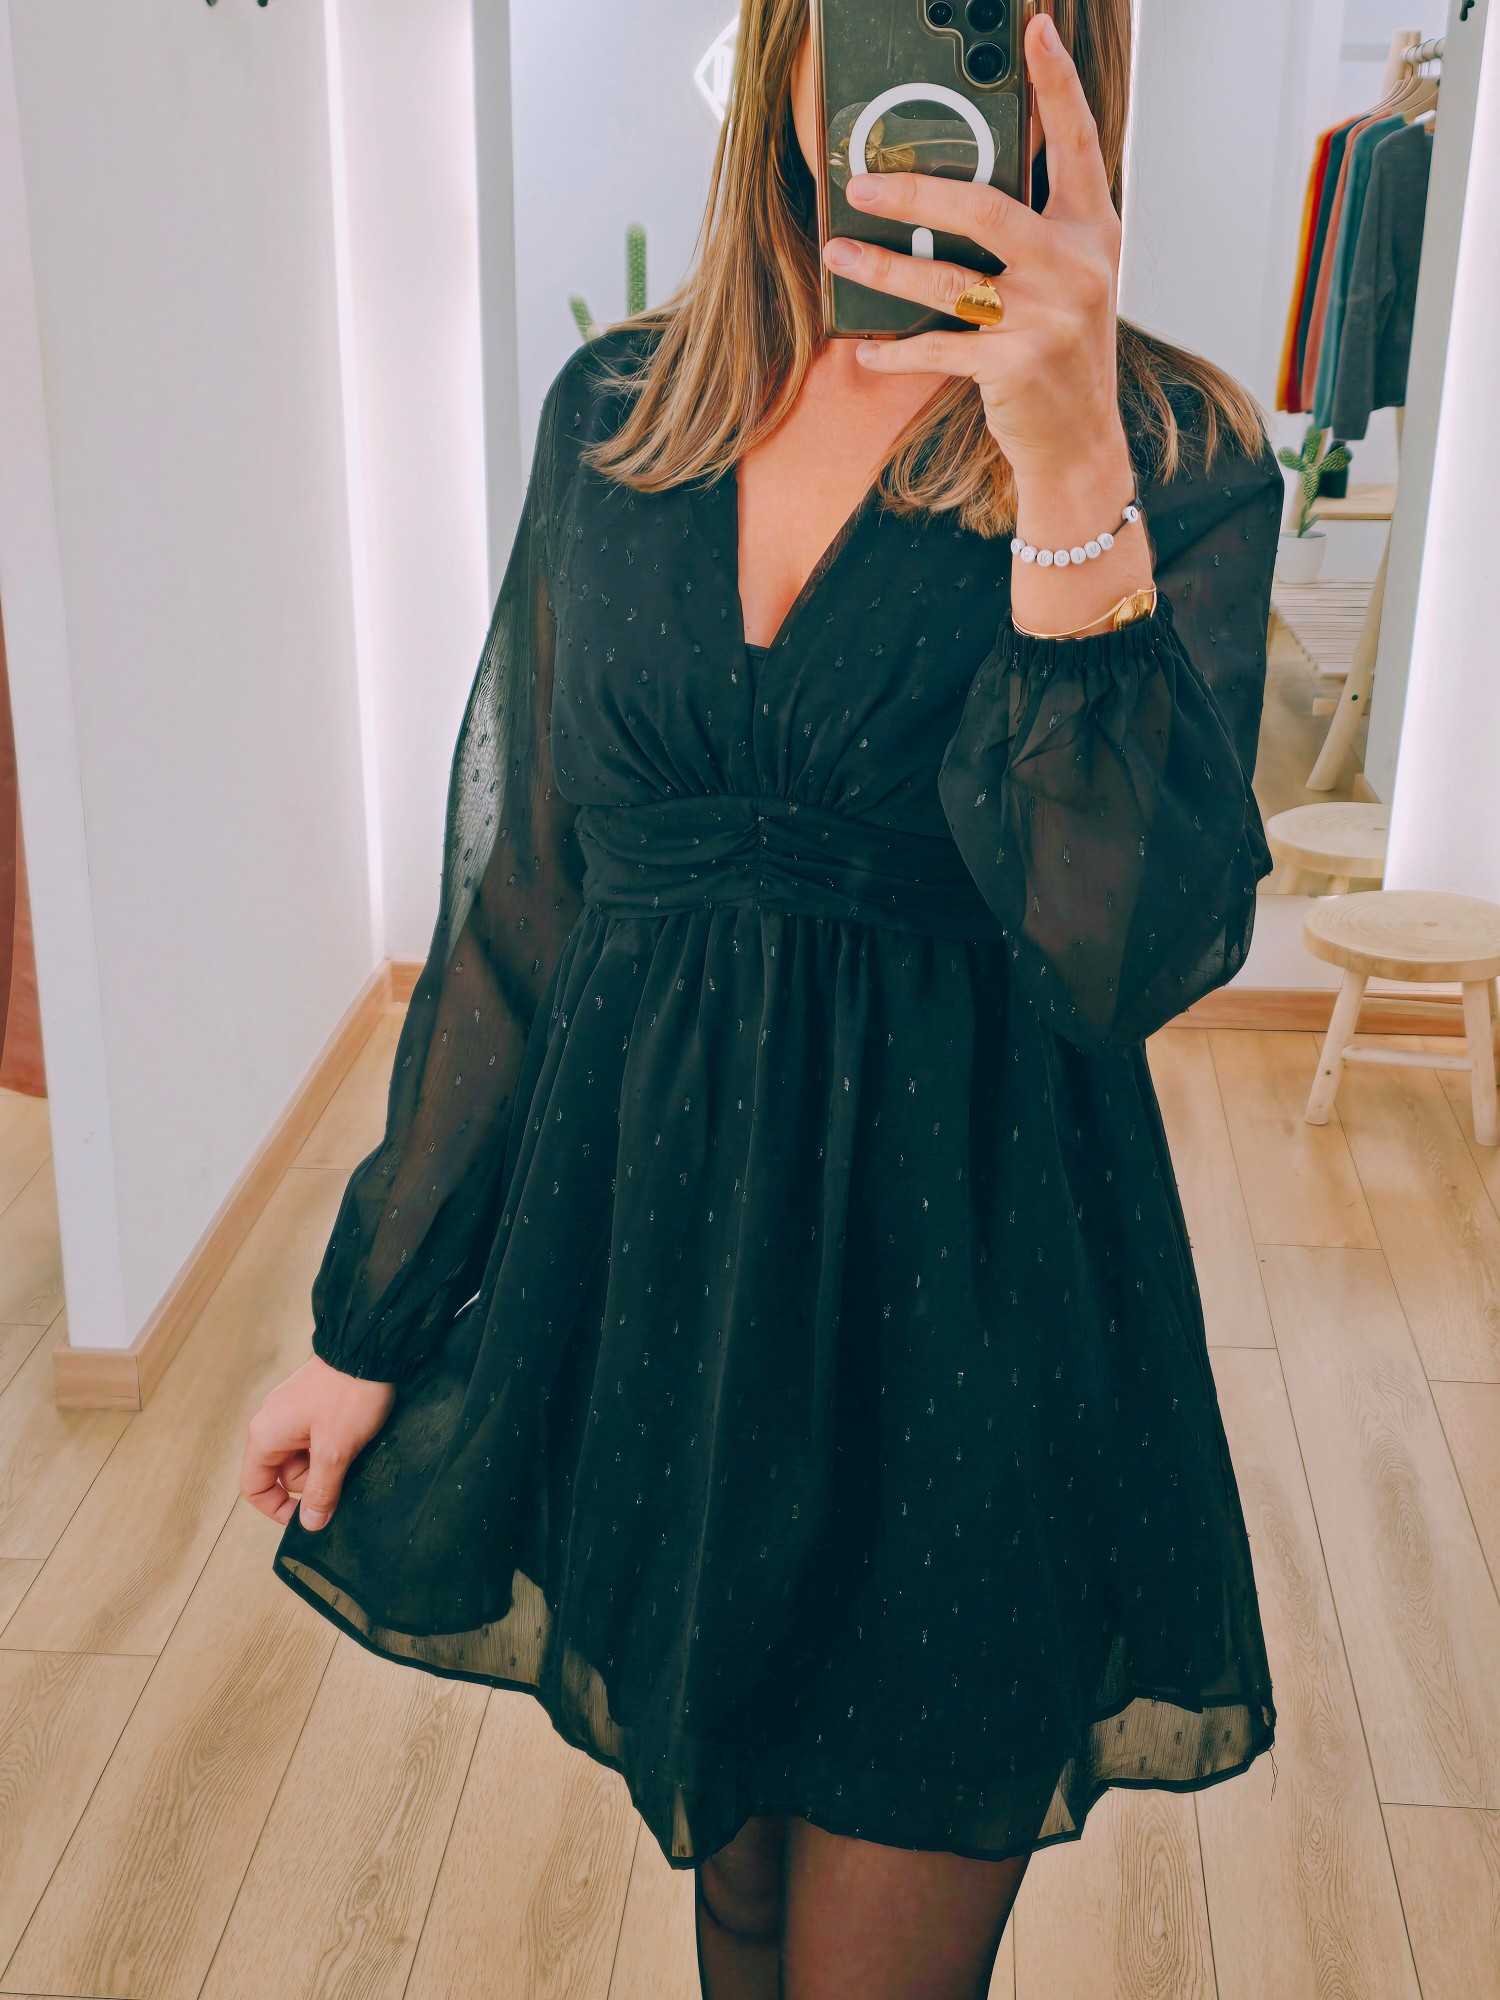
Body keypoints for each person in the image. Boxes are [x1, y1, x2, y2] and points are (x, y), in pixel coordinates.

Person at [240, 5, 1281, 1994]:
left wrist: (1063, 452)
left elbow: (1123, 950)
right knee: (733, 1901)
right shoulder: (619, 416)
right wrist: (371, 1324)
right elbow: (527, 903)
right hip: (672, 1296)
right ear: (794, 45)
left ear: (1063, 61)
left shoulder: (1171, 453)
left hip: (969, 1310)